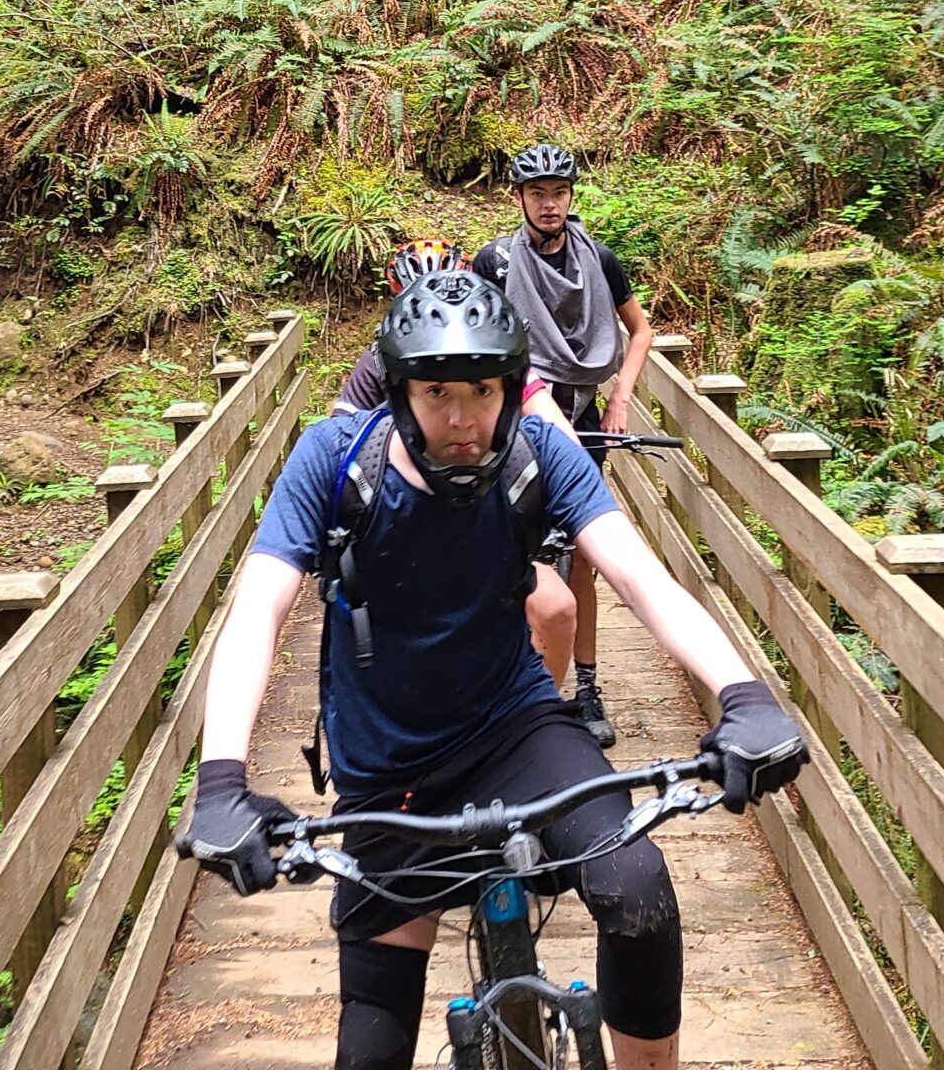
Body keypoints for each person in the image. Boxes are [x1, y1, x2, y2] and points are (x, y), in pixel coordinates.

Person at [180, 271, 807, 1070]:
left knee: (638, 888)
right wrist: (223, 781)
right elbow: (257, 610)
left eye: (481, 390)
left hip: (515, 730)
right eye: (437, 391)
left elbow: (642, 579)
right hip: (389, 772)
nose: (461, 419)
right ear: (399, 389)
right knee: (369, 1046)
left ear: (511, 387)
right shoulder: (335, 461)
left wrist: (743, 696)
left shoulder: (540, 452)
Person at [330, 240, 579, 683]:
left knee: (556, 608)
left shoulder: (493, 355)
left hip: (491, 509)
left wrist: (567, 472)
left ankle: (544, 714)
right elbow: (339, 438)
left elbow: (549, 418)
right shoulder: (377, 365)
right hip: (405, 521)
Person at [473, 143, 653, 748]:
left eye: (559, 193)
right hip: (519, 421)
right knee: (511, 548)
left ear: (571, 197)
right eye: (537, 194)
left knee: (582, 554)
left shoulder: (598, 259)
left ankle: (589, 688)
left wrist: (622, 395)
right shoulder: (495, 262)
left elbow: (640, 328)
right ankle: (513, 686)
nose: (550, 205)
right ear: (519, 198)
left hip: (584, 414)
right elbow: (479, 338)